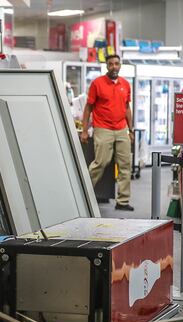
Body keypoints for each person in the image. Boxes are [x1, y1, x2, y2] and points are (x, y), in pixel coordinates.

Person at [80, 54, 134, 211]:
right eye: (111, 64)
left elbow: (126, 108)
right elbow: (88, 108)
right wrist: (84, 130)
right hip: (103, 128)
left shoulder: (125, 84)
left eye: (117, 64)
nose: (114, 67)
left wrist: (130, 130)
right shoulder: (97, 83)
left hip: (122, 128)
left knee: (125, 165)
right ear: (107, 66)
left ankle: (122, 201)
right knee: (101, 162)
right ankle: (83, 195)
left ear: (120, 65)